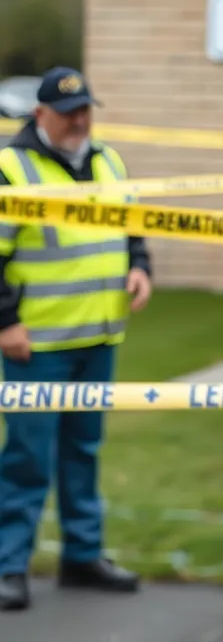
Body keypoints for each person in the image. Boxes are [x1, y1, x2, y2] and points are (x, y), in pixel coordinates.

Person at [0, 67, 153, 612]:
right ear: (40, 114)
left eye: (86, 110)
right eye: (69, 113)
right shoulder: (10, 169)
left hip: (99, 336)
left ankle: (83, 556)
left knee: (83, 451)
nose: (80, 121)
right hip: (37, 344)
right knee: (27, 457)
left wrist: (139, 265)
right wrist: (5, 322)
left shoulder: (109, 161)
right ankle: (8, 566)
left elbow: (133, 228)